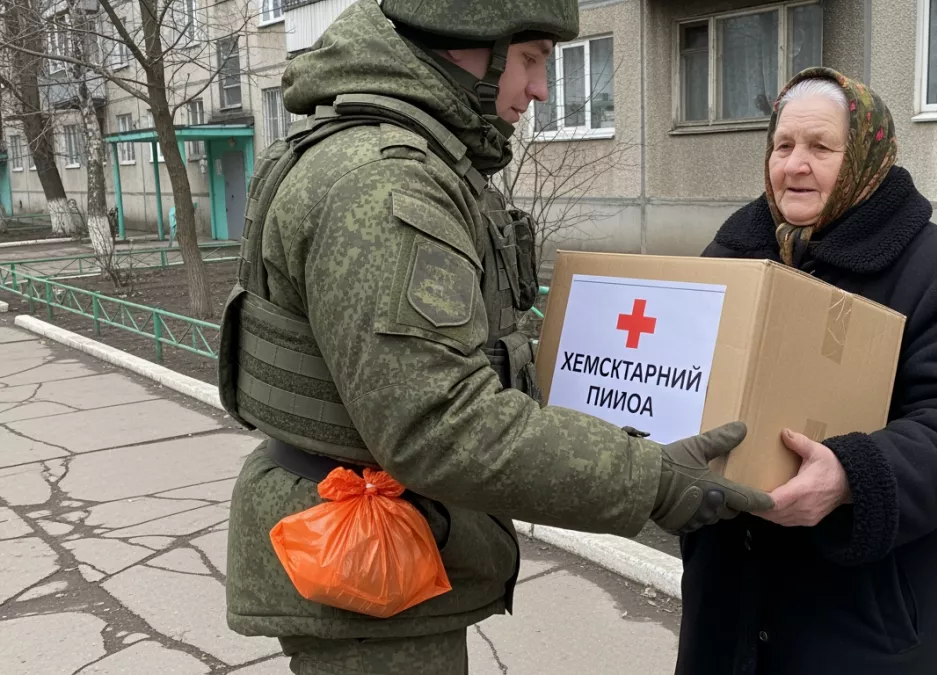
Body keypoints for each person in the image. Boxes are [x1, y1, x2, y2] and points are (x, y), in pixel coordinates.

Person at [216, 1, 773, 673]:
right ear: (465, 45)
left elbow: (464, 355)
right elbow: (437, 422)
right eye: (533, 59)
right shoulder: (384, 181)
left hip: (375, 551)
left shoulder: (402, 157)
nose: (540, 89)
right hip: (365, 561)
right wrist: (648, 479)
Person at [677, 67, 937, 675]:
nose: (794, 165)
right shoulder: (731, 255)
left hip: (862, 619)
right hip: (729, 607)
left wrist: (851, 476)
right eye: (783, 145)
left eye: (820, 147)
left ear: (865, 156)